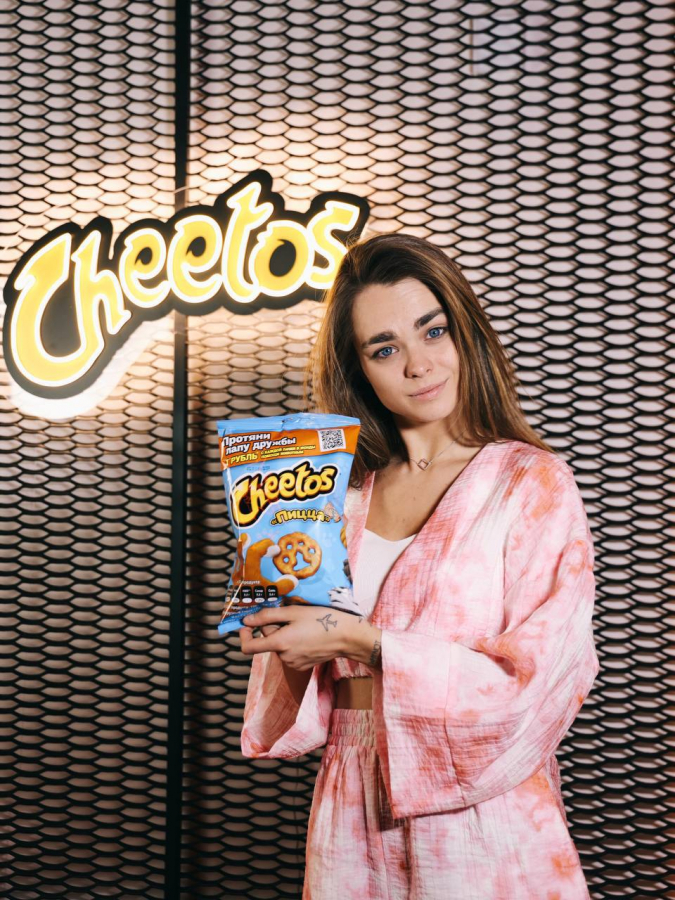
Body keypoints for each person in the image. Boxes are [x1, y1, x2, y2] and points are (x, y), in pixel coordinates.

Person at [237, 233, 600, 899]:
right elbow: (297, 694)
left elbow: (541, 678)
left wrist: (362, 641)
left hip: (485, 821)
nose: (418, 365)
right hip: (350, 805)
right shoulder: (332, 500)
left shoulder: (531, 484)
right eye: (384, 348)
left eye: (433, 331)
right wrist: (279, 638)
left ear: (465, 332)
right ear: (359, 369)